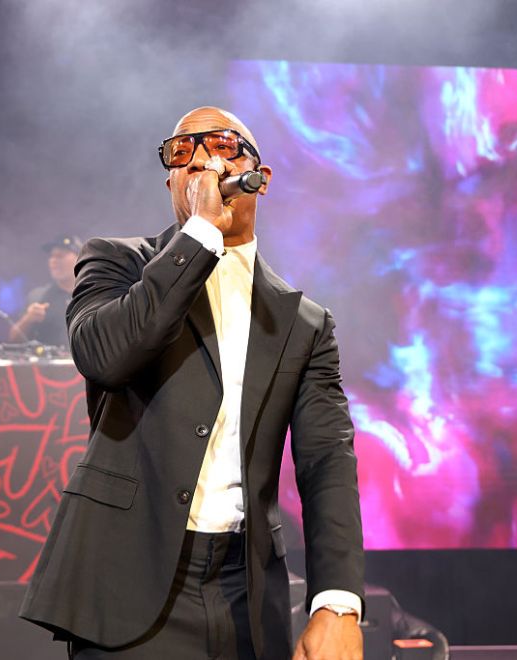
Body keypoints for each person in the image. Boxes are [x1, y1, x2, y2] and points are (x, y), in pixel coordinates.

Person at [20, 107, 365, 660]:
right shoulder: (116, 263)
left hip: (244, 593)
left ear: (261, 175)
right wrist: (201, 233)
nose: (202, 159)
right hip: (128, 585)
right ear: (171, 181)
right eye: (181, 152)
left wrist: (337, 600)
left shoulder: (305, 324)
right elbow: (105, 357)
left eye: (224, 144)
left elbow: (327, 462)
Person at [8, 236, 81, 348]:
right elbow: (13, 340)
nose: (54, 260)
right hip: (50, 364)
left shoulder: (93, 296)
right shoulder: (39, 297)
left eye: (60, 256)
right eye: (52, 256)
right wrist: (28, 319)